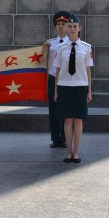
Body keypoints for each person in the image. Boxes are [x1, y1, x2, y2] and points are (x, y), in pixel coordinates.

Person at [53, 15, 93, 163]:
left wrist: (89, 90)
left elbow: (88, 70)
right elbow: (57, 70)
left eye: (75, 26)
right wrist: (56, 90)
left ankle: (76, 152)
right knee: (67, 120)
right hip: (65, 86)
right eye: (69, 26)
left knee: (78, 121)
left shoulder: (86, 47)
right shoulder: (61, 47)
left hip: (80, 86)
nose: (72, 28)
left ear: (79, 28)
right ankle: (68, 152)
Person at [42, 10, 71, 149]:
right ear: (55, 27)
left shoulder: (71, 43)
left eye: (63, 24)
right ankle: (55, 138)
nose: (61, 26)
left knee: (65, 108)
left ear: (67, 27)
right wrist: (43, 49)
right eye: (58, 24)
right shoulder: (50, 43)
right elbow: (41, 60)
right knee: (53, 109)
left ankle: (64, 138)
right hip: (53, 78)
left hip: (66, 78)